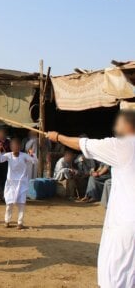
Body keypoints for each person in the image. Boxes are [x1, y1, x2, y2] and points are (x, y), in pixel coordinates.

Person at [47, 110, 135, 288]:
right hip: (126, 223)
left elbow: (83, 144)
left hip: (127, 225)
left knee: (117, 277)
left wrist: (57, 137)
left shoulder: (123, 146)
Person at [0, 138, 37, 229]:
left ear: (20, 146)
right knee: (9, 204)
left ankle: (20, 223)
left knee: (21, 204)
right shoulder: (8, 155)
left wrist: (32, 154)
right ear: (11, 147)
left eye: (17, 145)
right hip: (11, 184)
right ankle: (7, 221)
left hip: (22, 183)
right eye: (13, 145)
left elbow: (34, 161)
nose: (15, 147)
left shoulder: (24, 156)